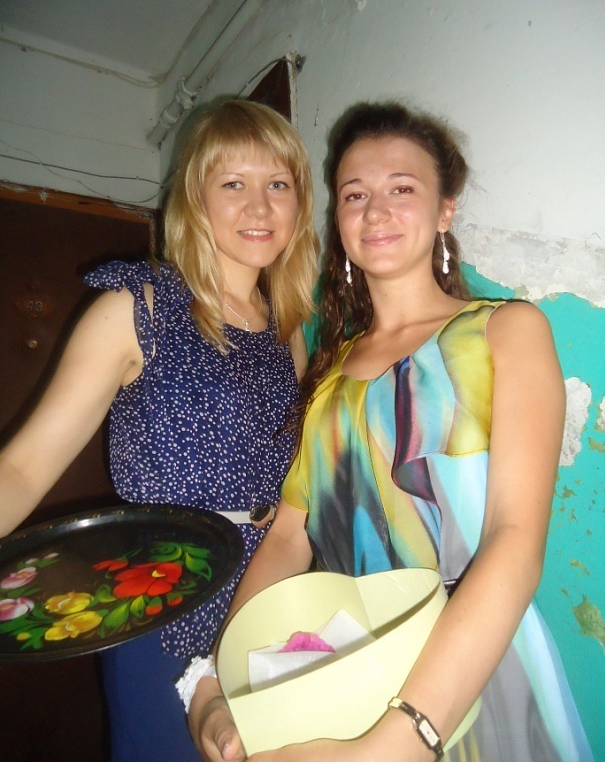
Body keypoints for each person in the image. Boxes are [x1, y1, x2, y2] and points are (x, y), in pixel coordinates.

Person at [186, 102, 593, 762]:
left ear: (444, 211)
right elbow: (288, 537)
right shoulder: (327, 376)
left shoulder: (505, 331)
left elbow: (514, 538)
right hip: (352, 676)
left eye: (401, 189)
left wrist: (406, 734)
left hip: (476, 675)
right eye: (354, 195)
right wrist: (220, 677)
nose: (375, 211)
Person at [0, 99, 318, 761]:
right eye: (233, 183)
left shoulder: (287, 332)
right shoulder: (138, 305)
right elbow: (22, 468)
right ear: (195, 198)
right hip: (162, 596)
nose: (259, 206)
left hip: (265, 598)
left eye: (277, 184)